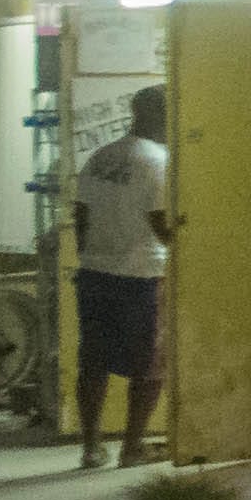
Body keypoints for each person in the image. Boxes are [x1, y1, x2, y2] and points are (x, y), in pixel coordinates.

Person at [68, 84, 174, 470]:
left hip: (95, 274)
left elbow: (81, 215)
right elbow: (161, 223)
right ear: (164, 116)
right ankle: (132, 448)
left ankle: (92, 447)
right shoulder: (158, 160)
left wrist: (90, 255)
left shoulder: (100, 157)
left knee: (93, 363)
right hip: (142, 275)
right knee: (150, 365)